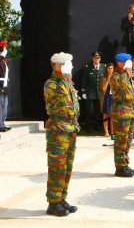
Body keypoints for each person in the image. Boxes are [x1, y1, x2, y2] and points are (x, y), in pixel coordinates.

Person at [43, 52, 79, 217]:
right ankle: (53, 202)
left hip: (70, 129)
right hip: (58, 130)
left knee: (67, 166)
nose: (70, 67)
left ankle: (62, 198)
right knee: (57, 167)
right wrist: (64, 78)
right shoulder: (52, 84)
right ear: (58, 66)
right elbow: (55, 100)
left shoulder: (67, 82)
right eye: (67, 64)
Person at [110, 53, 134, 177]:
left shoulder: (126, 75)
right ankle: (120, 167)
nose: (130, 64)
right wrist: (128, 71)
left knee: (128, 139)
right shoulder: (117, 76)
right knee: (120, 140)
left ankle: (125, 164)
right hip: (121, 111)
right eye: (128, 62)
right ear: (120, 63)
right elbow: (122, 85)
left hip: (130, 111)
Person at [80, 51, 105, 131]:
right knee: (90, 110)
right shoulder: (88, 67)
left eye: (98, 58)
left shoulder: (103, 67)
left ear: (100, 59)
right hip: (90, 92)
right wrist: (83, 92)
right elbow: (84, 80)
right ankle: (89, 126)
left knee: (98, 110)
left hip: (100, 93)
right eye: (95, 58)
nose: (96, 59)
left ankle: (97, 125)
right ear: (92, 59)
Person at [99, 63, 115, 138]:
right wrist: (108, 79)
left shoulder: (115, 77)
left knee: (112, 115)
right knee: (105, 115)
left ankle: (112, 132)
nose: (110, 70)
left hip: (114, 97)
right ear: (106, 69)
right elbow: (103, 89)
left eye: (112, 68)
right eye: (109, 68)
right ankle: (106, 131)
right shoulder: (103, 77)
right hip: (106, 97)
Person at [0, 40, 10, 132]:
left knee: (4, 104)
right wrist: (2, 54)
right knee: (0, 104)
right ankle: (0, 125)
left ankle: (2, 123)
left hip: (4, 84)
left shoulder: (3, 60)